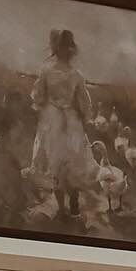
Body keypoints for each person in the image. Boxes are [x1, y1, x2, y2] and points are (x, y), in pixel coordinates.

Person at [26, 29, 100, 219]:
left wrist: (41, 106)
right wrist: (85, 118)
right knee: (72, 161)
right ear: (71, 49)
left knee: (56, 162)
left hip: (52, 121)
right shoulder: (76, 75)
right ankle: (72, 203)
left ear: (54, 49)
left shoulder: (46, 71)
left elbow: (38, 95)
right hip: (70, 121)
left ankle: (62, 206)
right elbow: (84, 102)